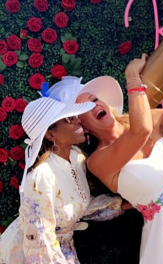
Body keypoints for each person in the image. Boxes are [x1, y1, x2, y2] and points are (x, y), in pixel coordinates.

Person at [51, 25, 163, 264]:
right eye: (86, 107)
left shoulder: (148, 118)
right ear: (83, 125)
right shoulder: (98, 161)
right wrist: (132, 78)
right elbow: (141, 131)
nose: (96, 105)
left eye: (95, 99)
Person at [0, 94, 127, 264]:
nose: (77, 120)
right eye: (68, 119)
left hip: (62, 249)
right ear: (51, 135)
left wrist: (130, 204)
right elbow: (40, 243)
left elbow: (81, 205)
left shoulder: (77, 158)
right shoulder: (41, 176)